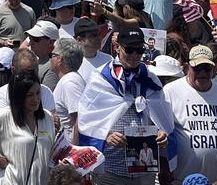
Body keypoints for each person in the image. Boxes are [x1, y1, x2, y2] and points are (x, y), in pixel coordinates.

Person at [78, 26, 171, 185]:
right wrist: (106, 136)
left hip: (145, 169)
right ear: (117, 47)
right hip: (112, 169)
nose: (135, 55)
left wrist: (162, 133)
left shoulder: (151, 79)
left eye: (139, 50)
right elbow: (87, 120)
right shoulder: (101, 79)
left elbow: (161, 115)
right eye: (129, 49)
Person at [163, 45, 217, 182]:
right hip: (181, 180)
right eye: (197, 68)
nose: (202, 73)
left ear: (214, 69)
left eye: (207, 68)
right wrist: (164, 170)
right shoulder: (170, 91)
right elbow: (162, 134)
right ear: (188, 67)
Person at [51, 38, 85, 144]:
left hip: (69, 149)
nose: (50, 59)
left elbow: (80, 119)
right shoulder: (69, 79)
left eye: (52, 55)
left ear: (60, 59)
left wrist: (74, 152)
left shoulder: (70, 82)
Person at [25, 19, 61, 91]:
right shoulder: (36, 60)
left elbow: (45, 98)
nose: (31, 42)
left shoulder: (53, 68)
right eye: (30, 38)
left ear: (51, 42)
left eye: (35, 39)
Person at [74, 18, 113, 82]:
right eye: (93, 36)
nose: (99, 38)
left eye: (99, 34)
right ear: (79, 40)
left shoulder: (109, 60)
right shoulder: (72, 63)